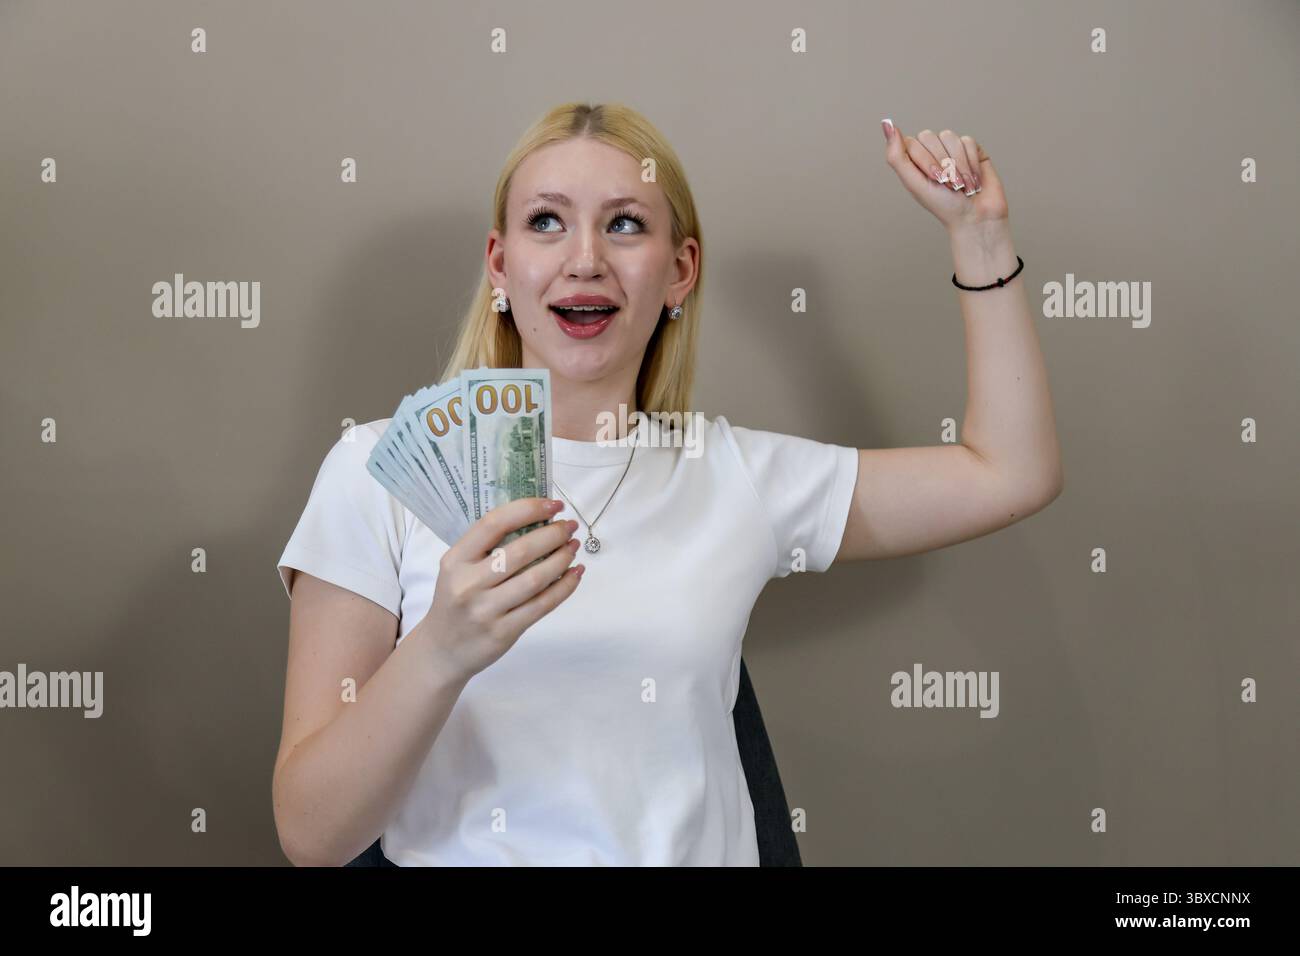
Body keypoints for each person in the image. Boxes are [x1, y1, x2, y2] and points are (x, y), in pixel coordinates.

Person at [271, 102, 1063, 867]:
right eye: (546, 221)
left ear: (680, 271)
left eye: (625, 224)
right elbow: (312, 835)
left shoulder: (735, 477)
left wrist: (980, 237)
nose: (585, 257)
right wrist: (440, 650)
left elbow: (1010, 473)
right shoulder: (375, 473)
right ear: (501, 266)